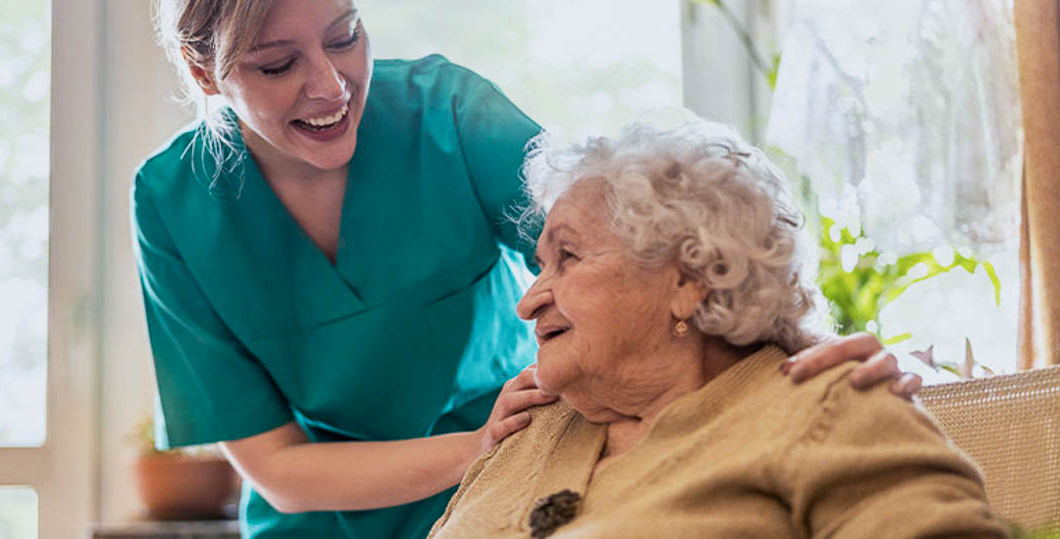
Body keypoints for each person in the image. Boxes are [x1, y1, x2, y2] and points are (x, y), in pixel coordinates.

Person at [134, 1, 922, 537]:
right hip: (343, 508)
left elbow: (639, 257)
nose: (331, 85)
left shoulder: (446, 114)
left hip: (523, 467)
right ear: (207, 75)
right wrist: (477, 449)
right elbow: (280, 469)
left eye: (344, 33)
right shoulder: (172, 206)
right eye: (277, 65)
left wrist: (808, 350)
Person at [427, 121, 1005, 538]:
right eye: (539, 267)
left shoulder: (825, 405)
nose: (528, 303)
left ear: (691, 278)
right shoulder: (528, 428)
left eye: (568, 258)